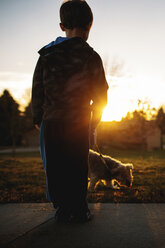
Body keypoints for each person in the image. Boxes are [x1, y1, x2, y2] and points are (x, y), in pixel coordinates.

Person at [32, 0, 108, 223]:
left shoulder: (46, 54)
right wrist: (95, 121)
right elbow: (101, 93)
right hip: (79, 121)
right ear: (89, 26)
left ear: (61, 26)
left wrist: (38, 116)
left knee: (55, 167)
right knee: (77, 165)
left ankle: (62, 209)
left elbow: (38, 89)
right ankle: (79, 208)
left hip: (52, 120)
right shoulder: (91, 56)